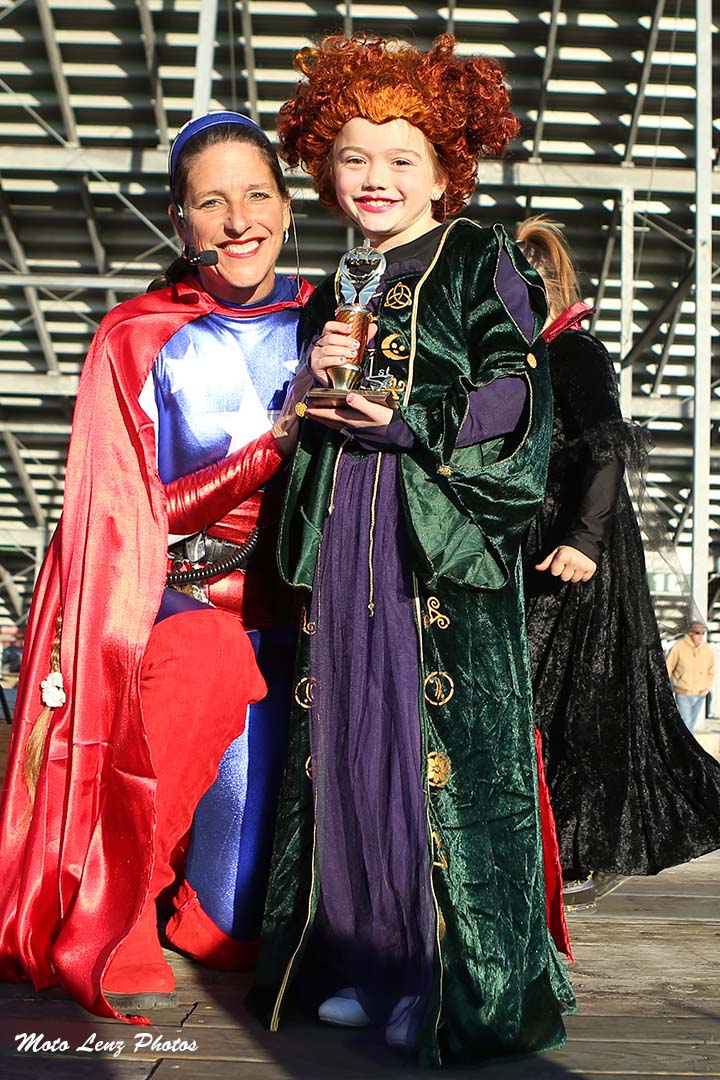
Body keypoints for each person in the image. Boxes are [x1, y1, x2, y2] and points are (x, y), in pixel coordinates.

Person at [248, 34, 575, 1068]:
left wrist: (407, 416)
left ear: (443, 174)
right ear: (326, 169)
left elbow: (518, 394)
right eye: (354, 156)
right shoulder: (333, 283)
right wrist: (314, 382)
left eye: (401, 158)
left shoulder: (478, 254)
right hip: (347, 530)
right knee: (349, 740)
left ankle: (441, 974)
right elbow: (309, 423)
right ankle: (367, 961)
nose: (375, 176)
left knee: (424, 747)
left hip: (432, 540)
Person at [0, 111, 311, 1022]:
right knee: (211, 656)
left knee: (231, 933)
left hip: (294, 618)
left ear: (288, 207)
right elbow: (128, 519)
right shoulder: (136, 336)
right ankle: (119, 903)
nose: (238, 220)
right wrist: (271, 449)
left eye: (256, 195)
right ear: (180, 222)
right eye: (211, 203)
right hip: (175, 604)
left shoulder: (338, 320)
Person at [519, 215, 720, 891]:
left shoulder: (574, 350)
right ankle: (554, 846)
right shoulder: (520, 359)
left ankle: (581, 850)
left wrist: (584, 539)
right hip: (536, 542)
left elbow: (607, 444)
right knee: (544, 695)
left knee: (583, 697)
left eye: (529, 282)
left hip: (577, 548)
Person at [666, 622, 716, 733]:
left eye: (703, 633)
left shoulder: (707, 649)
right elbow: (668, 666)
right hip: (683, 692)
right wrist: (666, 686)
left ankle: (685, 743)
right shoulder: (679, 647)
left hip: (700, 694)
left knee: (691, 725)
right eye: (698, 633)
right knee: (686, 722)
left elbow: (711, 671)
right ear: (690, 633)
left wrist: (707, 688)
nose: (701, 636)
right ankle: (683, 744)